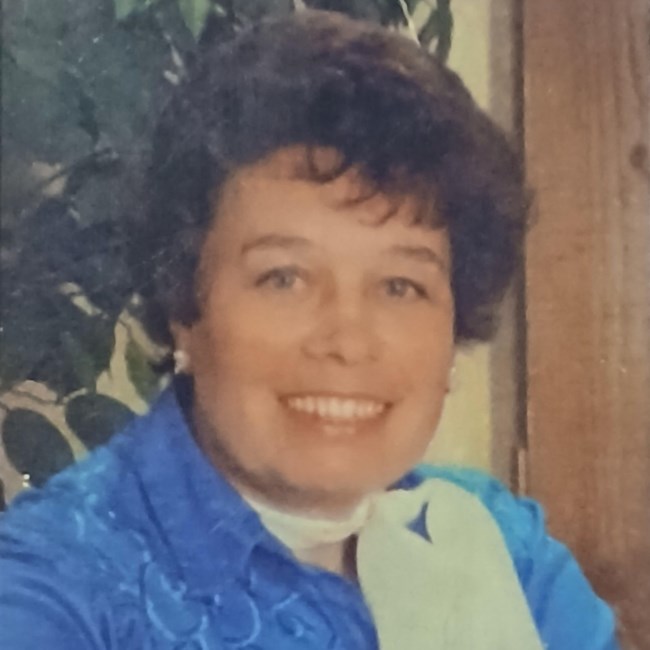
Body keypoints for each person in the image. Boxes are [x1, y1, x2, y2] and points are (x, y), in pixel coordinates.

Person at [0, 9, 619, 649]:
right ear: (185, 303)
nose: (348, 341)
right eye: (285, 279)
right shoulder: (53, 587)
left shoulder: (506, 555)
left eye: (400, 286)